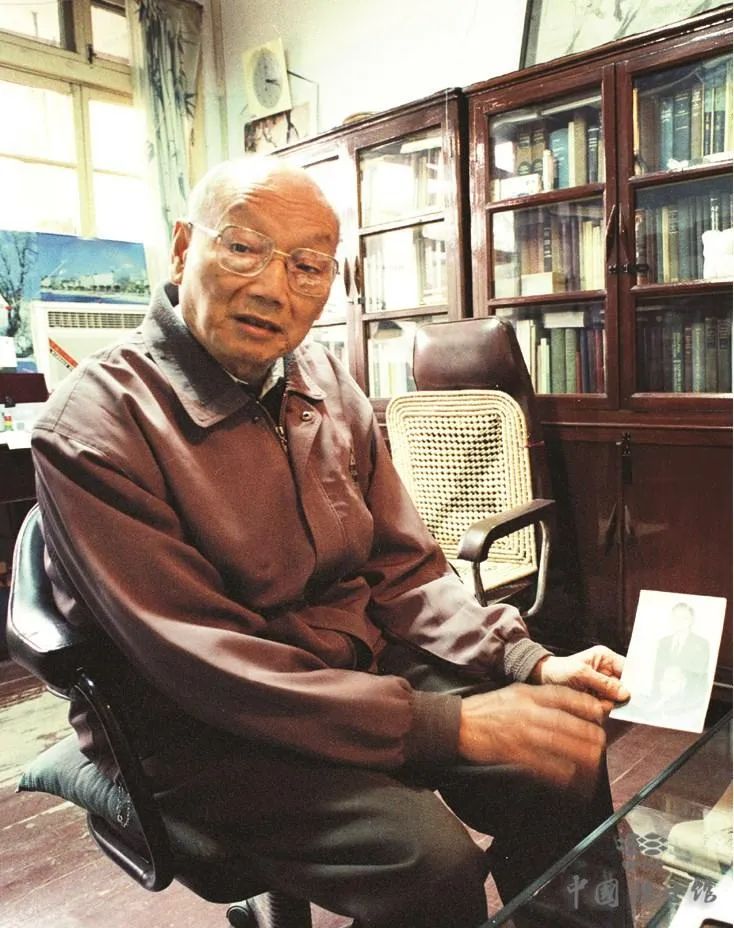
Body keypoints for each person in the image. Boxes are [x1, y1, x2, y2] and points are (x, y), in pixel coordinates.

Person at [31, 157, 630, 928]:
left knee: (565, 756)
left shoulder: (321, 377)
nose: (273, 288)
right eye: (243, 248)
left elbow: (406, 568)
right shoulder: (93, 427)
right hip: (199, 722)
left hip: (348, 668)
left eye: (307, 266)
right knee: (430, 865)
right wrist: (451, 725)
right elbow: (208, 666)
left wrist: (525, 659)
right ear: (182, 249)